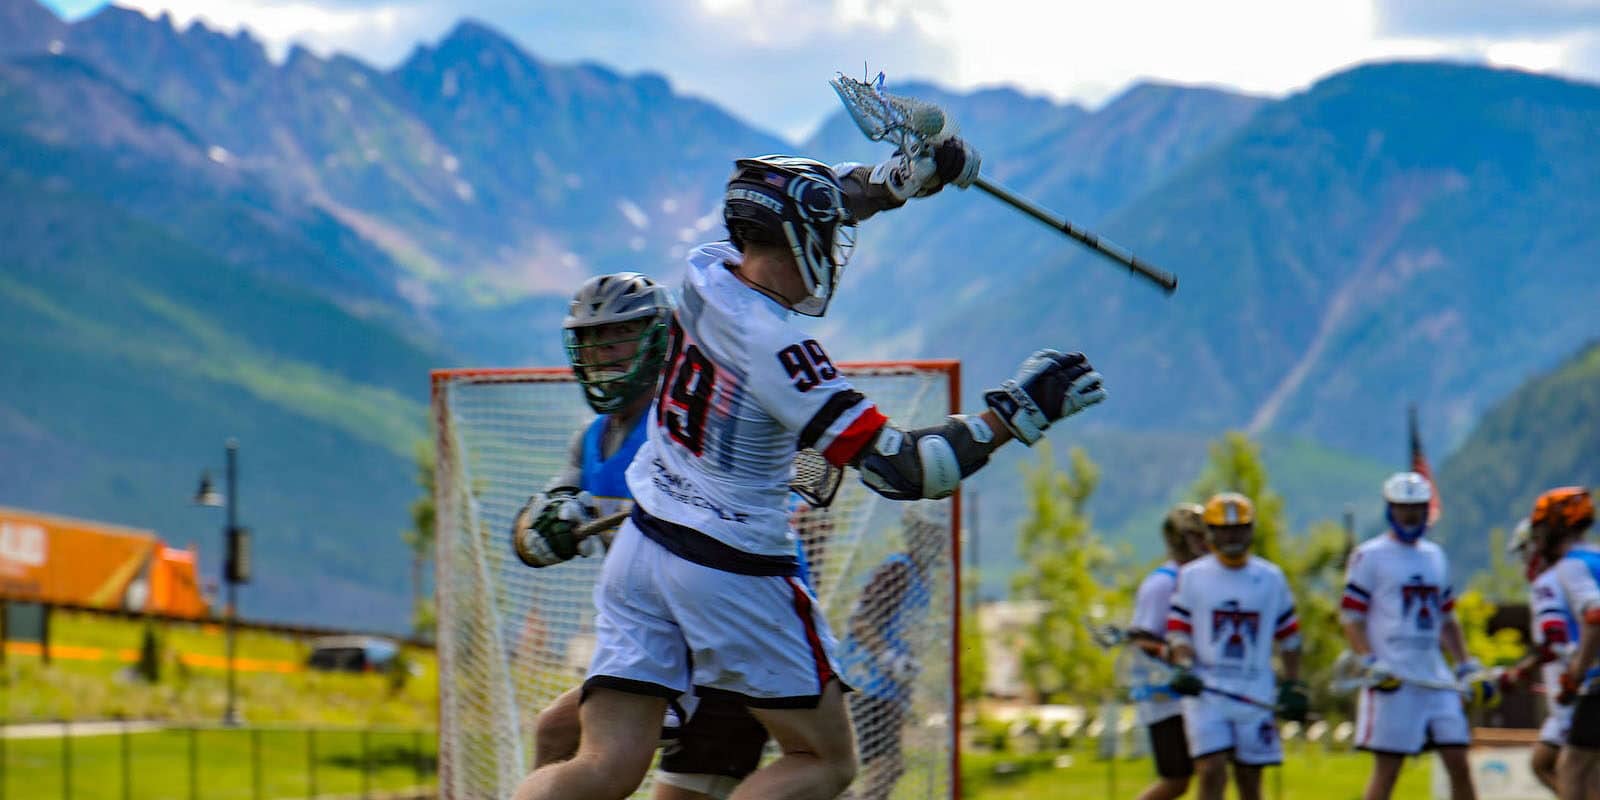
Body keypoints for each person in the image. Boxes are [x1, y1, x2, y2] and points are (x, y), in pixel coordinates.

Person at [512, 139, 1107, 800]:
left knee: (601, 766)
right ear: (803, 235)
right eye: (825, 232)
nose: (832, 243)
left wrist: (900, 180)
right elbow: (911, 471)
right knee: (825, 760)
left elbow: (827, 199)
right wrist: (1019, 411)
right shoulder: (782, 348)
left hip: (645, 548)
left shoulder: (704, 273)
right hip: (730, 570)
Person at [511, 272, 771, 800]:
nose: (602, 352)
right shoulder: (591, 439)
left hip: (720, 649)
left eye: (618, 336)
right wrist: (544, 528)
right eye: (590, 340)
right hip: (658, 647)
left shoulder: (684, 422)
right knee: (555, 732)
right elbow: (537, 523)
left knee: (575, 745)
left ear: (659, 337)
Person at [1339, 472, 1481, 800]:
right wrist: (1369, 660)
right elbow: (1351, 617)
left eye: (1417, 507)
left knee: (1458, 761)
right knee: (1389, 768)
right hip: (1393, 679)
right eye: (1403, 508)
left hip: (1435, 677)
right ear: (1391, 509)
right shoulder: (1369, 555)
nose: (1410, 515)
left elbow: (1447, 618)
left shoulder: (1435, 556)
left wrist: (1464, 663)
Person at [1166, 492, 1304, 800]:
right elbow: (1179, 632)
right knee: (1212, 770)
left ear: (1251, 530)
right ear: (1211, 533)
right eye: (1225, 529)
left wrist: (1294, 684)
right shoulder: (1192, 577)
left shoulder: (1270, 578)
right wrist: (1184, 665)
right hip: (1206, 689)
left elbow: (1290, 637)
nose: (1233, 536)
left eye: (1240, 528)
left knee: (1249, 779)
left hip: (1254, 689)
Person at [837, 503, 949, 799]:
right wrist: (890, 658)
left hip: (887, 687)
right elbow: (860, 621)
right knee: (886, 765)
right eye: (933, 533)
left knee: (885, 767)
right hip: (867, 682)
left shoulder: (923, 579)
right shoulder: (899, 569)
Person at [1503, 516, 1590, 796]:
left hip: (1575, 689)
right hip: (1575, 687)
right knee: (1545, 763)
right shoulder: (1571, 573)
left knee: (1574, 770)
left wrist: (1521, 671)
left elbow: (1553, 640)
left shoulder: (1548, 583)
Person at [1128, 503, 1208, 800]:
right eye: (1196, 536)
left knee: (1205, 771)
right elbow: (1140, 639)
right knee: (1177, 780)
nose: (1205, 543)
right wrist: (1172, 654)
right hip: (1166, 698)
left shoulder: (1201, 577)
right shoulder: (1163, 583)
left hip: (1195, 694)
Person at [1524, 487, 1600, 800]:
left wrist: (1576, 674)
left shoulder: (1571, 565)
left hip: (1597, 682)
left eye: (1541, 529)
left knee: (1571, 767)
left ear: (1557, 527)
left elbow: (1595, 617)